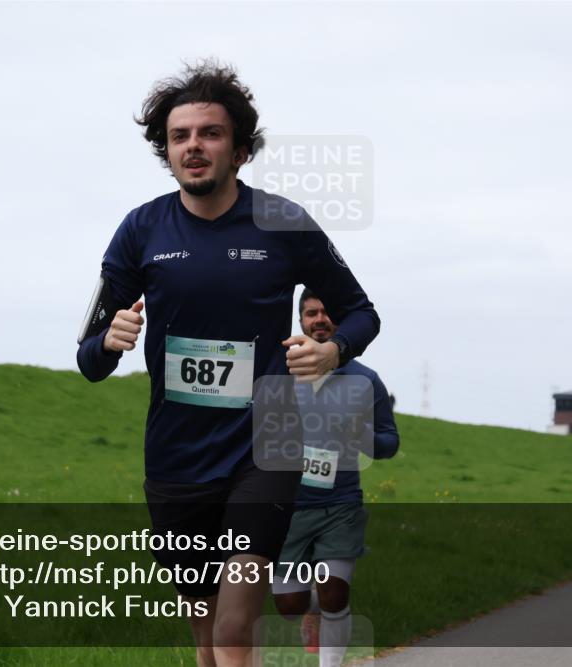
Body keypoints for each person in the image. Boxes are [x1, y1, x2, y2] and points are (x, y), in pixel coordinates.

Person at [76, 62, 380, 667]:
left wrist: (334, 349)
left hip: (265, 445)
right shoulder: (141, 230)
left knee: (235, 626)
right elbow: (88, 360)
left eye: (210, 133)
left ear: (239, 150)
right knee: (206, 632)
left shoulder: (284, 223)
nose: (194, 146)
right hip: (176, 454)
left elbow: (362, 314)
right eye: (180, 136)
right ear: (166, 151)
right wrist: (110, 341)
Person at [271, 289, 399, 667]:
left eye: (328, 312)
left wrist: (362, 435)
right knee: (290, 605)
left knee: (334, 594)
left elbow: (389, 443)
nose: (320, 319)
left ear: (341, 321)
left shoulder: (365, 380)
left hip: (340, 505)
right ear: (301, 321)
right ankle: (312, 610)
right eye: (312, 313)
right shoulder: (279, 370)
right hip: (287, 508)